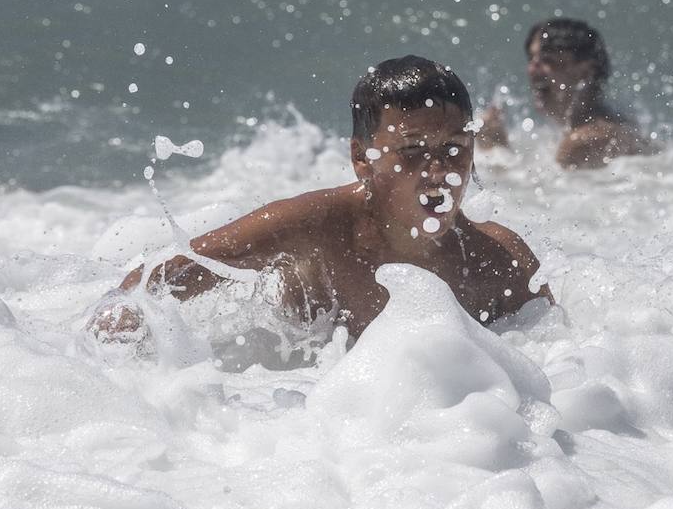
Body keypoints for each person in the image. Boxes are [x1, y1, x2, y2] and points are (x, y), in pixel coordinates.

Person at [89, 55, 553, 342]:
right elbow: (164, 276)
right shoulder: (316, 226)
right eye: (411, 150)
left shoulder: (501, 263)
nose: (437, 171)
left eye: (454, 148)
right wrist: (120, 326)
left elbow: (555, 364)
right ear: (362, 158)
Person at [477, 17, 653, 168]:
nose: (532, 69)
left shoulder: (580, 142)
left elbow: (532, 200)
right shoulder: (616, 125)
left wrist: (495, 150)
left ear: (585, 72)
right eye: (531, 59)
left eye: (547, 60)